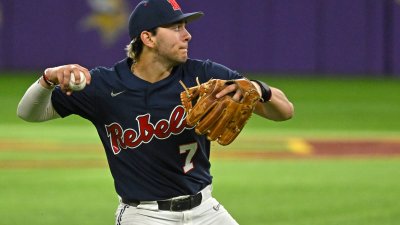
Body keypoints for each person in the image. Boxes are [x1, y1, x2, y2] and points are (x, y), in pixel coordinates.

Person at [17, 0, 294, 224]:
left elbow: (285, 111)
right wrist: (47, 78)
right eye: (176, 27)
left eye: (185, 26)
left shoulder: (204, 75)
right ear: (148, 37)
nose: (187, 35)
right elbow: (29, 112)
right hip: (144, 215)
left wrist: (259, 89)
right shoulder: (104, 85)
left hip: (206, 209)